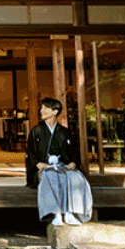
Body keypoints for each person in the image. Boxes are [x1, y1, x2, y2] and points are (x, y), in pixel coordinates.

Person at [25, 97, 92, 227]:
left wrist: (73, 162)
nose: (41, 110)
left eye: (45, 108)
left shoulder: (64, 132)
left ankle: (70, 212)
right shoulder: (36, 131)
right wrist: (38, 164)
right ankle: (55, 213)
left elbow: (73, 151)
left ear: (54, 111)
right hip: (44, 169)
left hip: (62, 167)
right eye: (42, 107)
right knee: (50, 176)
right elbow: (30, 152)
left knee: (75, 176)